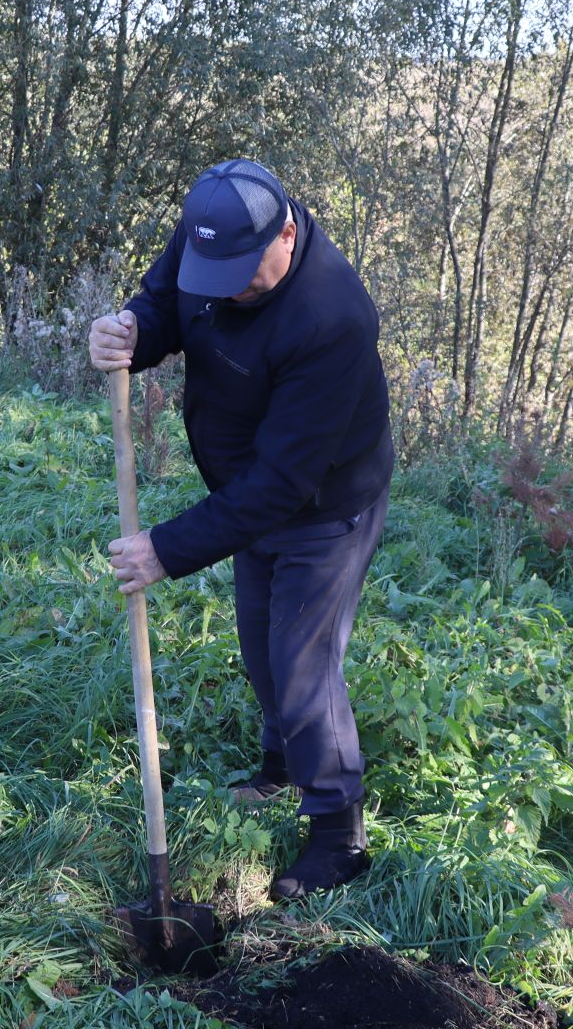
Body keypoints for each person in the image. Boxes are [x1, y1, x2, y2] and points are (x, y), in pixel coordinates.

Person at [86, 158, 394, 899]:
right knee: (261, 648)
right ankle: (282, 767)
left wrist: (166, 549)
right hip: (244, 490)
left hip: (321, 505)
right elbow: (167, 302)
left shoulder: (331, 316)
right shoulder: (216, 232)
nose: (222, 285)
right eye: (211, 268)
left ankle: (338, 837)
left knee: (301, 665)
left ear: (287, 233)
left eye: (240, 272)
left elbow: (284, 484)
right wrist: (133, 332)